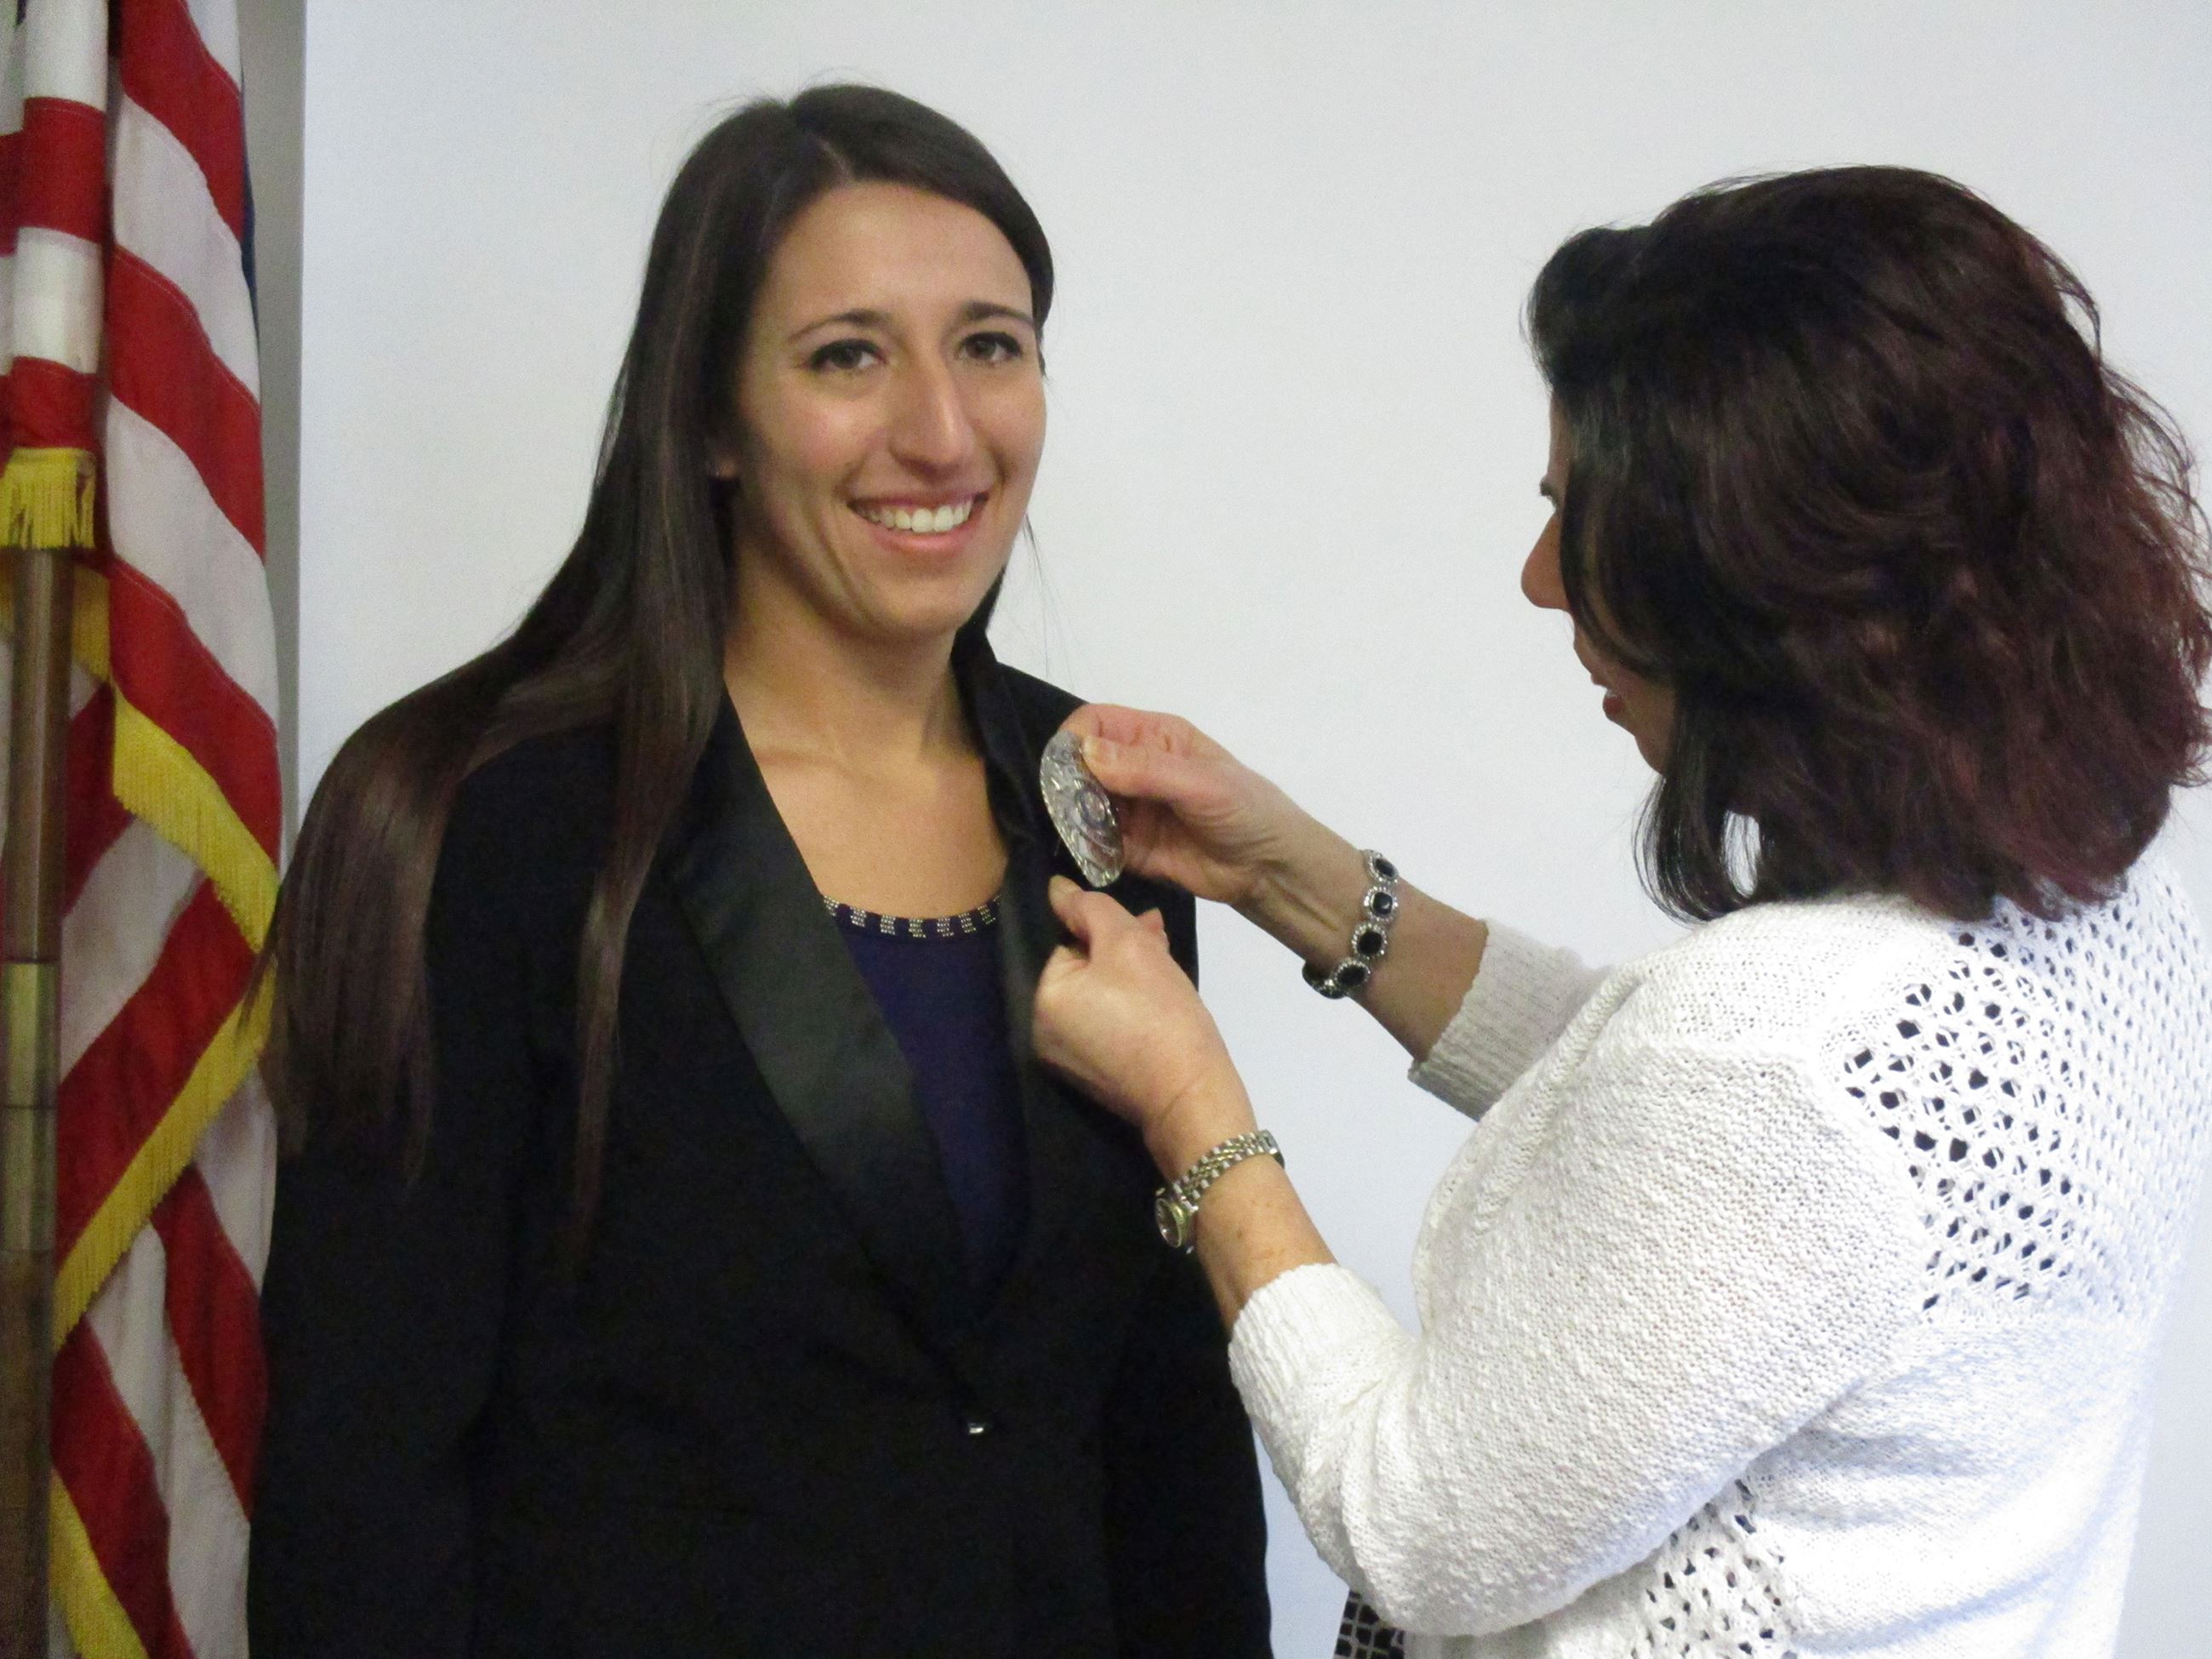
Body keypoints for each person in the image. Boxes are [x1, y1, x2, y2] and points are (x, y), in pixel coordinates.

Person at [1032, 165, 2212, 1659]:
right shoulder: (2105, 905)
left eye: (1575, 525)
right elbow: (1689, 1175)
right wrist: (1288, 875)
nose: (1539, 583)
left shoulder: (1769, 1073)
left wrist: (1191, 1107)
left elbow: (1416, 1517)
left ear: (1749, 589)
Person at [247, 86, 1270, 1658]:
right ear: (710, 418)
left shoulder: (1106, 805)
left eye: (990, 344)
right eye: (848, 354)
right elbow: (364, 1490)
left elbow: (1166, 1439)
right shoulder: (472, 816)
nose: (941, 430)